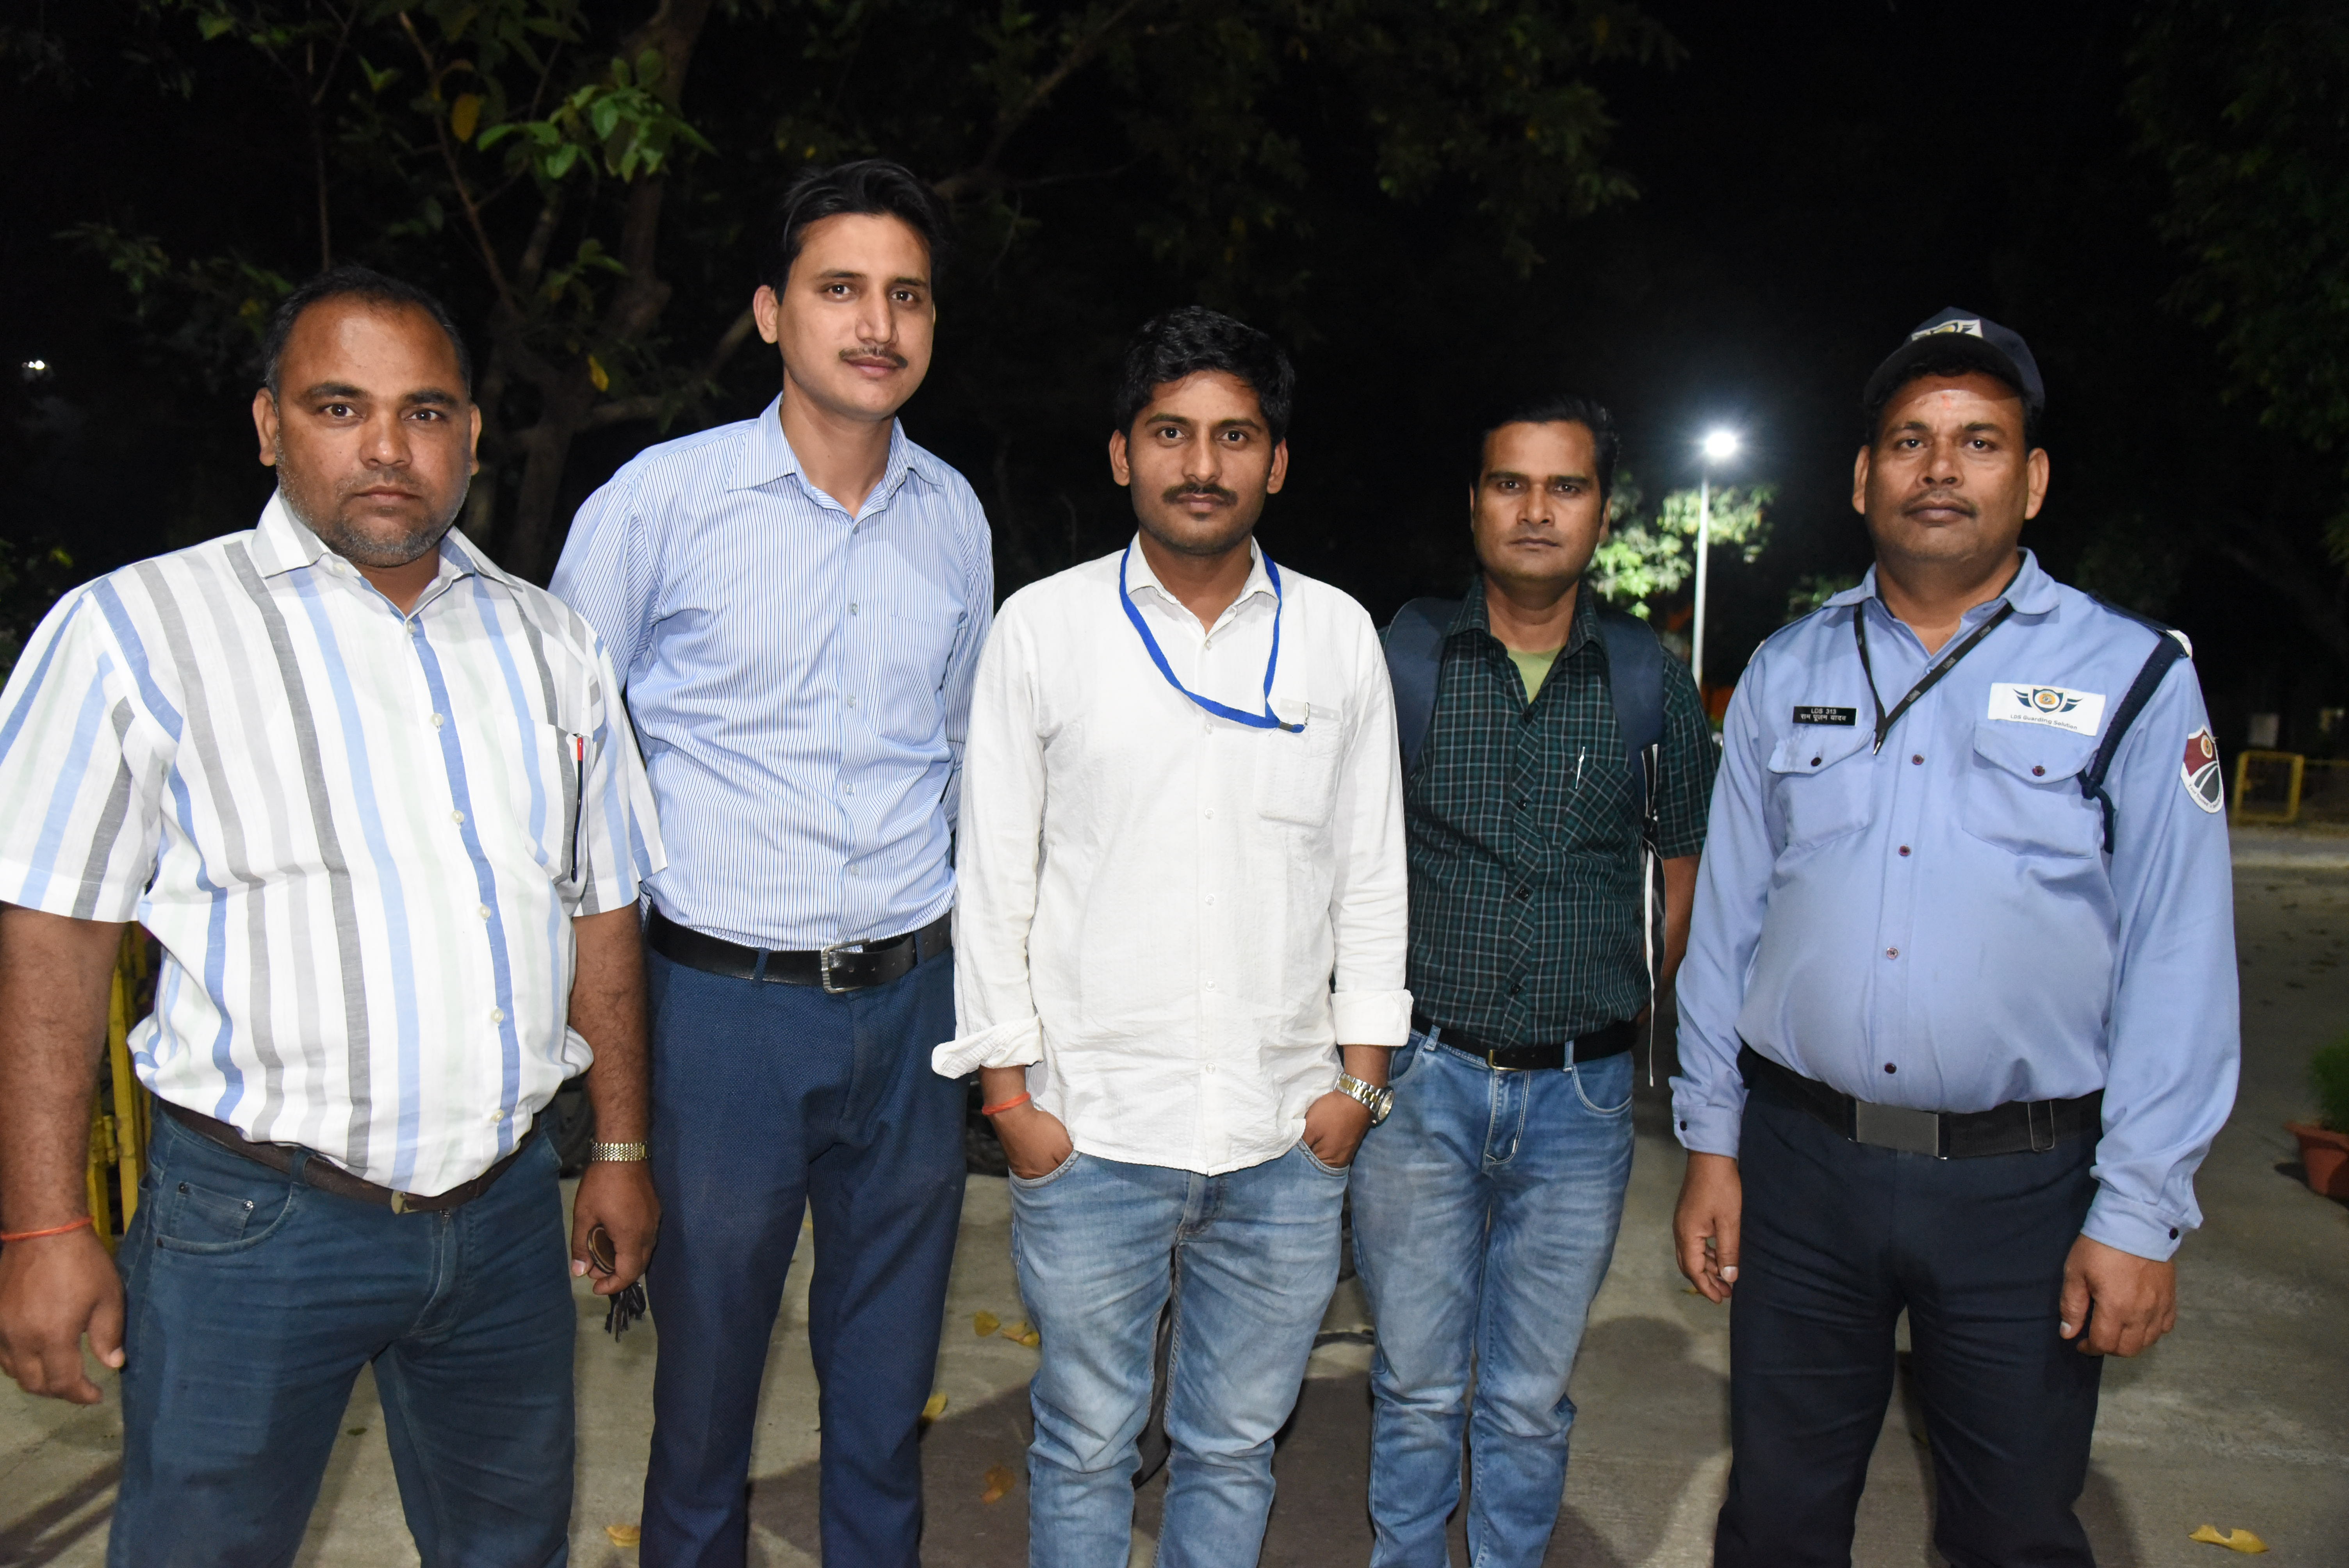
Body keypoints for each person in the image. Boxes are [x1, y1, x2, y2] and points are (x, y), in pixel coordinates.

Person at [0, 265, 664, 1566]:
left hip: (501, 1219)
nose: (387, 448)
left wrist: (622, 1147)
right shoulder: (135, 632)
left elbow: (601, 911)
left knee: (509, 1550)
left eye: (425, 412)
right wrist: (41, 1225)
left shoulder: (554, 648)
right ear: (269, 425)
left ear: (472, 434)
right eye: (340, 406)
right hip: (253, 1227)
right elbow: (50, 936)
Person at [1670, 307, 2240, 1567]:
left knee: (2013, 1530)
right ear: (1862, 478)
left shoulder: (2135, 675)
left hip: (2023, 1191)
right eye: (1910, 440)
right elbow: (1728, 928)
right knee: (1776, 1518)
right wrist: (1712, 1142)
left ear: (2031, 481)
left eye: (1980, 441)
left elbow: (2181, 958)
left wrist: (2141, 1211)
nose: (1940, 467)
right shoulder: (1785, 669)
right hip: (1803, 1173)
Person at [548, 158, 991, 1568]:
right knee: (704, 1397)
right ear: (770, 312)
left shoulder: (955, 516)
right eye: (840, 288)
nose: (877, 323)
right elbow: (557, 753)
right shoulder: (659, 502)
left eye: (906, 295)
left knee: (885, 1393)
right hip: (720, 1013)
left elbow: (963, 758)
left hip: (913, 1012)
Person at [937, 306, 1410, 1567]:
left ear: (1277, 462)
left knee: (1235, 1446)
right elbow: (994, 880)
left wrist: (1358, 1090)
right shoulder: (1044, 628)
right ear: (1122, 454)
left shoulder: (1336, 635)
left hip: (1282, 1134)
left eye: (1234, 436)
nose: (1201, 465)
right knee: (1085, 1443)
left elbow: (1371, 876)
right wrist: (1011, 1102)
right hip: (1092, 1130)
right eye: (1171, 433)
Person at [1350, 397, 1716, 1567]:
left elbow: (1681, 877)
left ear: (1602, 512)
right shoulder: (1403, 660)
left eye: (1566, 487)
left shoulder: (1651, 681)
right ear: (1475, 505)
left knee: (1524, 1396)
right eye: (1511, 483)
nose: (1536, 510)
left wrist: (1607, 997)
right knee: (1416, 1384)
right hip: (1420, 1083)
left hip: (1582, 1101)